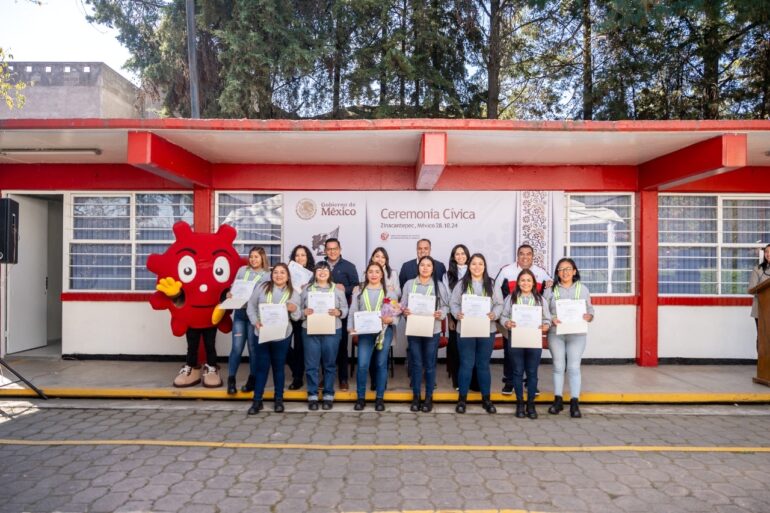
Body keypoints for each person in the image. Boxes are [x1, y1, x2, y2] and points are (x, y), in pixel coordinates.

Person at [494, 244, 553, 395]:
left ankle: (530, 382)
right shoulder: (506, 271)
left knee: (531, 353)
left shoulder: (541, 273)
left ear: (533, 256)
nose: (525, 257)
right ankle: (509, 381)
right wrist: (501, 316)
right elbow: (496, 292)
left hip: (532, 325)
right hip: (511, 323)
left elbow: (547, 296)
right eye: (521, 254)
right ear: (517, 255)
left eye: (528, 254)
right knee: (510, 351)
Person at [450, 253, 504, 414]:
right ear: (469, 266)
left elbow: (499, 304)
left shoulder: (492, 284)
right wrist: (457, 313)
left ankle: (486, 399)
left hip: (487, 330)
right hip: (465, 329)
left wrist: (494, 315)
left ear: (485, 266)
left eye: (480, 264)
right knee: (466, 364)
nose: (477, 267)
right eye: (474, 264)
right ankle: (462, 399)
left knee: (482, 365)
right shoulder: (461, 284)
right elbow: (453, 303)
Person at [245, 263, 301, 415]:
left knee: (278, 368)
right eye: (275, 272)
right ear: (271, 275)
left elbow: (298, 316)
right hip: (262, 333)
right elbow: (251, 306)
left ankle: (278, 400)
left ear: (288, 276)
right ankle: (257, 401)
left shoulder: (293, 293)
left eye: (282, 272)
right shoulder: (262, 287)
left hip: (282, 335)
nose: (278, 275)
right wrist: (254, 321)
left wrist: (294, 309)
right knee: (261, 367)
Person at [546, 258, 595, 419]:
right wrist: (551, 318)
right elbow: (543, 310)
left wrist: (589, 316)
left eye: (568, 269)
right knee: (558, 366)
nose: (565, 272)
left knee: (574, 367)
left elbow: (590, 310)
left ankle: (575, 402)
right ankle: (558, 400)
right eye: (561, 269)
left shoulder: (583, 289)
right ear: (557, 273)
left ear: (574, 271)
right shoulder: (550, 290)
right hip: (556, 333)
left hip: (577, 334)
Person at [348, 262, 400, 411]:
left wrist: (391, 320)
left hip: (384, 332)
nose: (374, 274)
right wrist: (350, 327)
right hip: (365, 333)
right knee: (363, 364)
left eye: (377, 271)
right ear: (366, 274)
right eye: (370, 271)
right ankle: (360, 398)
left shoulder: (389, 293)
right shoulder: (359, 292)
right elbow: (352, 312)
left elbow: (397, 313)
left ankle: (379, 398)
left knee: (380, 364)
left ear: (382, 274)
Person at [500, 269, 551, 419]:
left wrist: (546, 325)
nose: (525, 283)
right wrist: (506, 322)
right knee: (517, 371)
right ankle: (520, 403)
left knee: (532, 372)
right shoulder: (511, 298)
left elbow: (547, 319)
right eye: (522, 280)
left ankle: (531, 404)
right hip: (516, 339)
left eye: (529, 280)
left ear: (534, 283)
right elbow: (503, 316)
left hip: (534, 341)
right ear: (518, 282)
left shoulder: (541, 300)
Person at [402, 256, 449, 412]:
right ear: (418, 267)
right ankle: (416, 397)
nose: (425, 268)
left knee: (429, 365)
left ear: (433, 268)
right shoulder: (409, 284)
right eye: (422, 265)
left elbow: (446, 306)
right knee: (416, 364)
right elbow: (402, 305)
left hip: (432, 330)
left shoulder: (439, 285)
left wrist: (440, 314)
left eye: (429, 265)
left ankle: (429, 397)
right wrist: (405, 311)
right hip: (414, 329)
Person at [301, 261, 348, 410]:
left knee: (330, 364)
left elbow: (345, 309)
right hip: (310, 330)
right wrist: (304, 312)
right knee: (311, 365)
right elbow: (297, 310)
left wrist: (338, 312)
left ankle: (328, 394)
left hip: (332, 331)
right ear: (315, 272)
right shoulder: (307, 289)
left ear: (330, 273)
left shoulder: (337, 290)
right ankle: (312, 395)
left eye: (325, 269)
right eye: (319, 269)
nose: (322, 271)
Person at [226, 246, 270, 394]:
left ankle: (252, 379)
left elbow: (265, 297)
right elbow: (233, 288)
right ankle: (231, 380)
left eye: (256, 257)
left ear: (262, 258)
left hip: (255, 316)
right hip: (239, 314)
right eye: (251, 256)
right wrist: (229, 294)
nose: (253, 259)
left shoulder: (267, 275)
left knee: (253, 349)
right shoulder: (242, 271)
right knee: (236, 348)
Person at [324, 238, 359, 391]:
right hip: (323, 314)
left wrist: (344, 288)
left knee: (341, 347)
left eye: (335, 248)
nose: (332, 251)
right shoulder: (320, 266)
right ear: (325, 251)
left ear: (340, 249)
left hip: (342, 313)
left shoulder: (349, 266)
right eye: (329, 249)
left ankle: (343, 378)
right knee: (325, 348)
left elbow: (357, 287)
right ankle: (325, 378)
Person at [368, 247, 400, 389]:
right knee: (372, 352)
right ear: (372, 258)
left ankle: (382, 381)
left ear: (386, 260)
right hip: (370, 320)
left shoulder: (392, 273)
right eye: (377, 256)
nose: (379, 259)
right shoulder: (367, 272)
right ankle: (374, 380)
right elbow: (362, 290)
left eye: (383, 257)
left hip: (386, 320)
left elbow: (397, 293)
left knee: (383, 352)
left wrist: (391, 290)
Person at [286, 244, 315, 391]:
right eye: (297, 255)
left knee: (299, 348)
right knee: (283, 346)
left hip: (303, 315)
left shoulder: (314, 275)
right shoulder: (286, 273)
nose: (300, 258)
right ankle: (295, 369)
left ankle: (297, 377)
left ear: (308, 257)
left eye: (303, 255)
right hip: (286, 314)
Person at [443, 243, 469, 390]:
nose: (460, 256)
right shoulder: (447, 275)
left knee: (469, 349)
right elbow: (447, 298)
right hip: (455, 316)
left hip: (472, 318)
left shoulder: (474, 271)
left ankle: (469, 380)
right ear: (453, 257)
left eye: (463, 254)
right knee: (455, 349)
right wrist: (450, 318)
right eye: (457, 254)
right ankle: (457, 381)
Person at [749, 244, 770, 353]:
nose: (768, 254)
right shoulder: (757, 269)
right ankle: (762, 364)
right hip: (760, 310)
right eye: (766, 251)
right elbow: (752, 289)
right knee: (762, 337)